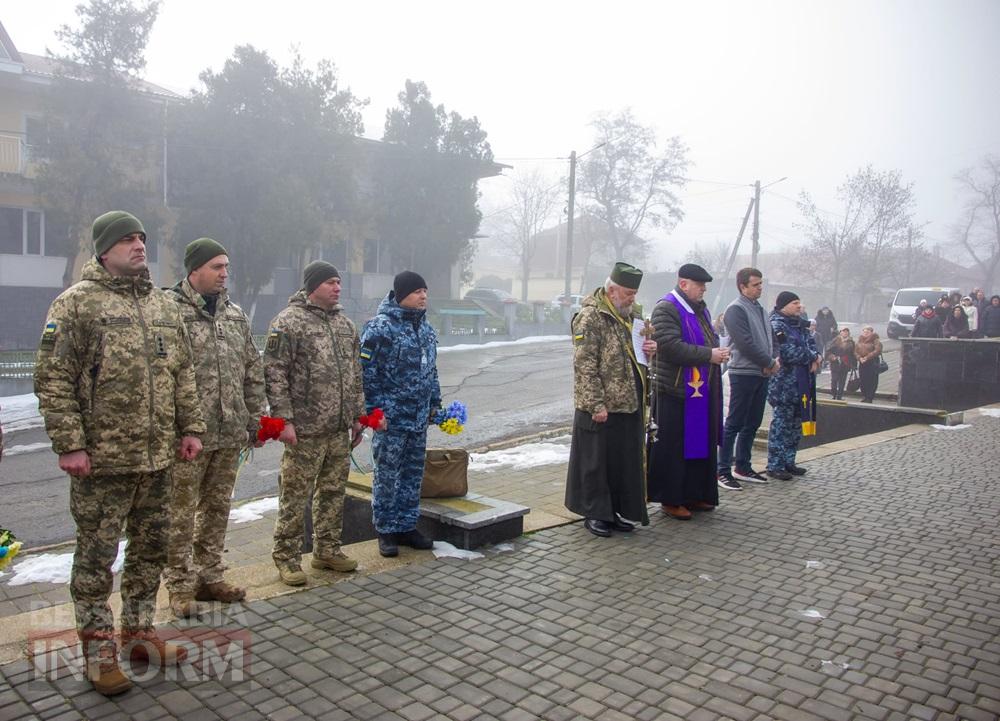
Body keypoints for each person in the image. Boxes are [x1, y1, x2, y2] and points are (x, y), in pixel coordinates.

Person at [34, 211, 206, 695]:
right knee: (96, 561)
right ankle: (98, 653)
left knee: (150, 552)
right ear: (104, 250)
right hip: (103, 462)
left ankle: (139, 633)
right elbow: (53, 378)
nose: (139, 245)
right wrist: (70, 443)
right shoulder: (77, 304)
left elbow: (183, 374)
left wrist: (190, 428)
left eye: (141, 238)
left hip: (158, 459)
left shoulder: (162, 305)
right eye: (127, 239)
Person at [162, 238, 266, 618]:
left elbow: (252, 370)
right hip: (187, 437)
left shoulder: (234, 315)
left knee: (217, 508)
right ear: (194, 269)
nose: (225, 274)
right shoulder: (169, 311)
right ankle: (179, 587)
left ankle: (210, 576)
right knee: (179, 514)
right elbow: (162, 375)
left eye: (226, 267)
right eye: (216, 267)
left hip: (228, 432)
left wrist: (254, 419)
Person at [264, 261, 364, 586]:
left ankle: (327, 550)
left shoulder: (346, 325)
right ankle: (287, 558)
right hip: (304, 431)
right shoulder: (288, 322)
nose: (337, 288)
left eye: (339, 282)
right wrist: (283, 420)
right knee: (295, 496)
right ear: (312, 286)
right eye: (330, 282)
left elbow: (355, 375)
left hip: (337, 429)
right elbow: (274, 374)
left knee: (333, 492)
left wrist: (357, 417)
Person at [564, 262, 655, 536]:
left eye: (634, 293)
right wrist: (595, 404)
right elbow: (584, 364)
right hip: (600, 405)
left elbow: (638, 355)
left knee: (619, 463)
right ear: (612, 290)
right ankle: (595, 513)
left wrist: (651, 349)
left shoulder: (633, 316)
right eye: (628, 293)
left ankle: (614, 511)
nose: (632, 299)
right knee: (595, 464)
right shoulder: (590, 317)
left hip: (628, 402)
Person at [360, 271, 442, 555]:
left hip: (418, 419)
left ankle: (407, 527)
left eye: (425, 291)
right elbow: (366, 374)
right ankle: (385, 530)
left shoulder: (425, 329)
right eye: (418, 291)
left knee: (412, 475)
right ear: (402, 294)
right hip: (390, 420)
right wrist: (374, 411)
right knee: (386, 475)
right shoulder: (380, 328)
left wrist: (434, 404)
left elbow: (431, 370)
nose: (423, 296)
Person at [647, 264, 728, 520]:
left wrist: (716, 352)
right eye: (699, 285)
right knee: (673, 448)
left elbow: (708, 338)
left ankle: (694, 493)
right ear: (684, 284)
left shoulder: (699, 309)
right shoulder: (666, 308)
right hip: (674, 390)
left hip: (698, 390)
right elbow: (669, 346)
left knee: (697, 444)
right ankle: (671, 499)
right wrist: (709, 355)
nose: (704, 289)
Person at [716, 267, 778, 491]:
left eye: (761, 284)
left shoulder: (760, 309)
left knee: (752, 423)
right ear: (743, 286)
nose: (760, 288)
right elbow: (744, 343)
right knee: (734, 423)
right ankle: (722, 470)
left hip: (761, 373)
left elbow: (772, 339)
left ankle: (743, 466)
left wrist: (774, 359)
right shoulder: (736, 309)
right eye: (755, 284)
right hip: (743, 373)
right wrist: (768, 362)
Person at [765, 291, 820, 479]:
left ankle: (789, 461)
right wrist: (812, 357)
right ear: (784, 305)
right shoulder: (776, 324)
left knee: (796, 425)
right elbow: (788, 353)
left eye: (799, 302)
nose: (799, 306)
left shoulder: (799, 324)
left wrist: (816, 356)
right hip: (784, 386)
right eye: (795, 303)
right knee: (781, 425)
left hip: (801, 385)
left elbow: (812, 344)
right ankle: (775, 465)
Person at [854, 325, 883, 403]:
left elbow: (877, 350)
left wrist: (867, 357)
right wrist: (859, 358)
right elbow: (855, 351)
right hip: (862, 362)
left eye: (868, 332)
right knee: (863, 380)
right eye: (864, 332)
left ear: (871, 332)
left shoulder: (875, 340)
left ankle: (869, 397)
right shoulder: (860, 340)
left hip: (872, 362)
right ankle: (865, 395)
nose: (866, 333)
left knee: (872, 380)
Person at [825, 327, 856, 400]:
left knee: (842, 381)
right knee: (834, 380)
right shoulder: (835, 340)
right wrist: (832, 357)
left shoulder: (851, 342)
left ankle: (839, 396)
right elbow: (828, 351)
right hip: (835, 363)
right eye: (843, 331)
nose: (845, 333)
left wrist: (854, 364)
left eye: (846, 332)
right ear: (840, 332)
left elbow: (853, 354)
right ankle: (834, 394)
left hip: (845, 364)